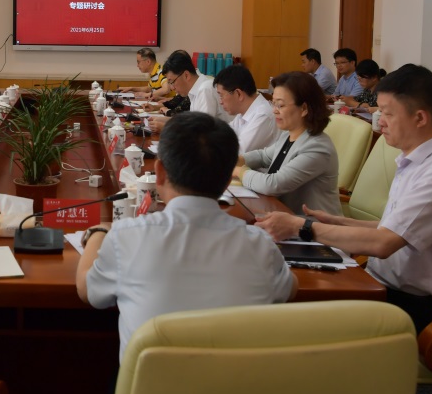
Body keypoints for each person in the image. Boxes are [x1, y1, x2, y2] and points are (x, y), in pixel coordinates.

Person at [256, 64, 432, 349]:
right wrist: (338, 221)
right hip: (380, 284)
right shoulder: (416, 161)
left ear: (420, 117)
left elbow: (385, 243)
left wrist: (302, 226)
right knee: (280, 289)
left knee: (294, 317)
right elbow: (396, 227)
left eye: (387, 113)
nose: (379, 122)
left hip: (417, 309)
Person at [77, 111, 295, 362]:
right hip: (235, 386)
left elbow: (87, 290)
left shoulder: (126, 237)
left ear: (159, 172)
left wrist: (98, 232)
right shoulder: (260, 245)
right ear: (228, 181)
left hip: (151, 388)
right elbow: (289, 289)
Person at [233, 71, 341, 216]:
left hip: (312, 225)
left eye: (280, 105)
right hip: (283, 216)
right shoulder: (289, 135)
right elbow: (264, 156)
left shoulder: (317, 147)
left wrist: (237, 171)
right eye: (273, 103)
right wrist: (236, 160)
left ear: (304, 109)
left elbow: (273, 184)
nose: (274, 111)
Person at [213, 64, 279, 153]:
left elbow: (237, 152)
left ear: (238, 94)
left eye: (221, 95)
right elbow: (222, 136)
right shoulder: (243, 113)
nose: (220, 101)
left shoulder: (263, 115)